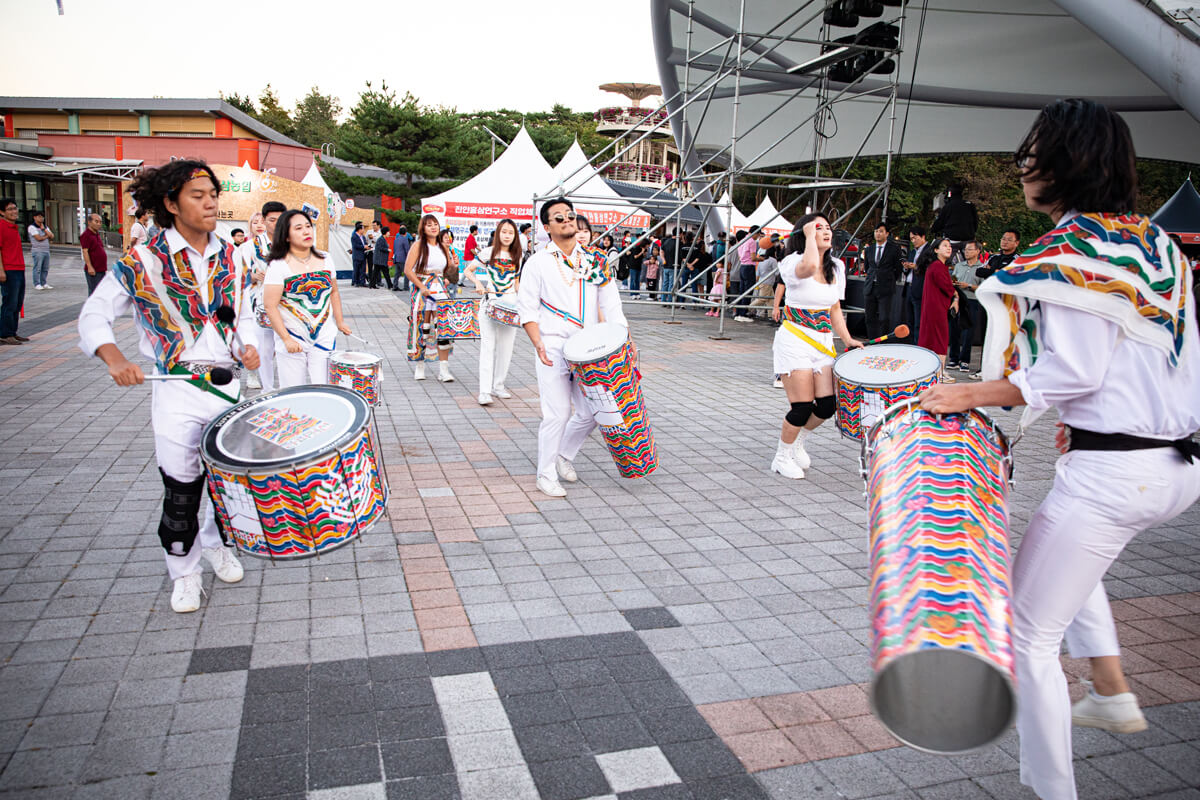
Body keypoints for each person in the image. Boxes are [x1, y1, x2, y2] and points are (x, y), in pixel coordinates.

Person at [920, 98, 1200, 800]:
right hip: (1175, 469)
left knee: (1026, 635)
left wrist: (967, 396)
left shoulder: (1072, 248)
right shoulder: (1153, 243)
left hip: (1112, 474)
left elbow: (1074, 373)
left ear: (1061, 164)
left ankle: (1053, 790)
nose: (1022, 168)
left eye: (1031, 154)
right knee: (1069, 555)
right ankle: (1108, 686)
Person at [77, 160, 258, 612]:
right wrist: (113, 356)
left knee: (229, 481)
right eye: (197, 196)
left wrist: (249, 344)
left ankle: (218, 546)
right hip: (177, 386)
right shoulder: (143, 259)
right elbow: (94, 313)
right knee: (181, 489)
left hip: (228, 384)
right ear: (171, 204)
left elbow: (244, 313)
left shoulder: (233, 255)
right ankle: (184, 571)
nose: (210, 201)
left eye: (212, 193)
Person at [516, 197, 629, 497]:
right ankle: (546, 473)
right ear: (547, 226)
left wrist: (622, 338)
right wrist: (538, 343)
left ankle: (563, 455)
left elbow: (611, 304)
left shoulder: (595, 261)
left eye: (570, 215)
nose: (566, 221)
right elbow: (526, 309)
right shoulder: (537, 262)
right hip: (552, 346)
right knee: (556, 414)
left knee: (594, 411)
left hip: (589, 350)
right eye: (558, 218)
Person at [770, 213, 862, 479]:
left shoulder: (836, 267)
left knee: (826, 406)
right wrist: (809, 236)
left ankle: (797, 441)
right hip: (795, 340)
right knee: (801, 406)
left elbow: (834, 308)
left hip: (822, 343)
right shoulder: (792, 262)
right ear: (805, 233)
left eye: (828, 228)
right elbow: (809, 267)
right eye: (818, 227)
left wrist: (847, 339)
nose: (826, 231)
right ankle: (781, 457)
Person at [263, 209, 351, 386]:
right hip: (293, 336)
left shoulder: (326, 258)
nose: (306, 231)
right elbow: (270, 306)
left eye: (308, 226)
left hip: (324, 335)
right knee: (294, 390)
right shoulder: (278, 265)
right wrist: (286, 338)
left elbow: (333, 291)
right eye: (298, 228)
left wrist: (340, 322)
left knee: (326, 387)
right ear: (286, 236)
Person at [471, 218, 524, 405]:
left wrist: (523, 303)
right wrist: (478, 283)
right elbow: (470, 270)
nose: (507, 235)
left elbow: (517, 283)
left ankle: (498, 385)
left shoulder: (518, 255)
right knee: (488, 347)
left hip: (510, 306)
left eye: (511, 232)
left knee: (506, 347)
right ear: (498, 233)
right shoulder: (488, 252)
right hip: (489, 303)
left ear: (515, 235)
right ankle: (484, 391)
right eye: (504, 232)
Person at [403, 214, 458, 382]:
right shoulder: (418, 245)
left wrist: (453, 267)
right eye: (429, 225)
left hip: (440, 288)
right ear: (423, 228)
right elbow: (408, 270)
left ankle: (444, 369)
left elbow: (449, 271)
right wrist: (422, 287)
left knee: (443, 327)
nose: (433, 227)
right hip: (423, 288)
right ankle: (420, 365)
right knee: (422, 325)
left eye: (435, 224)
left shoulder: (443, 247)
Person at [242, 202, 285, 391]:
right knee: (266, 349)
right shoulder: (251, 246)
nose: (276, 224)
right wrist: (252, 276)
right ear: (265, 220)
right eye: (272, 220)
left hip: (288, 304)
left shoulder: (293, 243)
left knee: (285, 349)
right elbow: (236, 274)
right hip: (261, 304)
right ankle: (267, 389)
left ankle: (287, 387)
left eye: (280, 219)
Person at [915, 237, 959, 381]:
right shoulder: (938, 267)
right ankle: (939, 372)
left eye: (949, 246)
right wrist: (956, 295)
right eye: (945, 246)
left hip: (934, 308)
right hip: (937, 309)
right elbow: (948, 287)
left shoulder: (936, 266)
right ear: (936, 250)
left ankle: (933, 371)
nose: (949, 248)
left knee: (932, 338)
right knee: (940, 339)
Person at [861, 221, 903, 339]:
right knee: (869, 317)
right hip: (870, 286)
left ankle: (883, 341)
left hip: (886, 287)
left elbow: (898, 268)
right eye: (876, 231)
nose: (878, 234)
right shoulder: (870, 249)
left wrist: (889, 279)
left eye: (881, 231)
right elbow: (868, 267)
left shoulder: (894, 249)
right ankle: (872, 340)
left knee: (884, 317)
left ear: (887, 234)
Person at [948, 240, 983, 371]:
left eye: (969, 249)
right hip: (957, 299)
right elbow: (952, 280)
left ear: (977, 251)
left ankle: (965, 360)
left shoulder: (982, 267)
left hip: (972, 300)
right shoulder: (959, 266)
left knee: (968, 332)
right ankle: (954, 358)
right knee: (954, 329)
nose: (966, 252)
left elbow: (983, 286)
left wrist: (968, 286)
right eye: (965, 250)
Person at [0, 199, 27, 345]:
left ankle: (13, 332)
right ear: (2, 212)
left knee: (17, 302)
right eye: (9, 209)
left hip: (19, 267)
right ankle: (5, 333)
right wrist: (1, 271)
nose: (14, 211)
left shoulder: (14, 227)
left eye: (15, 208)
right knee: (9, 302)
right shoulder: (1, 226)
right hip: (9, 269)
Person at [930, 183, 979, 261]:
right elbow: (976, 222)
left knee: (944, 261)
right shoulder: (970, 205)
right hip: (968, 239)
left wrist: (933, 229)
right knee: (970, 262)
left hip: (952, 240)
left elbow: (939, 223)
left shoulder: (948, 207)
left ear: (949, 194)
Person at [900, 226, 927, 343]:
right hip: (909, 287)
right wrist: (906, 267)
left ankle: (918, 344)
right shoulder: (912, 252)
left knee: (919, 322)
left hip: (920, 289)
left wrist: (916, 266)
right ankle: (910, 344)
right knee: (909, 320)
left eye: (915, 238)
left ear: (923, 237)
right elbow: (908, 270)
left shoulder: (929, 252)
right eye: (911, 239)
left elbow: (930, 269)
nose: (913, 241)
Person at [734, 225, 761, 321]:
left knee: (742, 291)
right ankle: (743, 314)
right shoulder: (752, 242)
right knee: (748, 291)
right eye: (758, 235)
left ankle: (738, 313)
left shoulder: (742, 240)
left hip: (742, 266)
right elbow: (753, 257)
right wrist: (761, 259)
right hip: (749, 266)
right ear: (756, 233)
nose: (758, 237)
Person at [80, 213, 109, 296]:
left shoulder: (96, 234)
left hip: (101, 269)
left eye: (100, 222)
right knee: (94, 293)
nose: (99, 224)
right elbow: (85, 251)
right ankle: (92, 309)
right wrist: (89, 266)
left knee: (100, 291)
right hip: (94, 270)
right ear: (89, 222)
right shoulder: (86, 235)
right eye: (96, 222)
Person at [28, 210, 54, 290]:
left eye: (42, 217)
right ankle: (37, 283)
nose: (41, 218)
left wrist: (44, 230)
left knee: (45, 268)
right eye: (39, 217)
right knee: (38, 268)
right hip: (37, 250)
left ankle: (44, 283)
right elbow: (38, 238)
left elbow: (52, 236)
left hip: (46, 250)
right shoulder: (32, 227)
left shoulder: (45, 227)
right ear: (35, 217)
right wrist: (47, 236)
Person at [369, 225, 395, 289]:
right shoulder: (381, 239)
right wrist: (387, 249)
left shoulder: (382, 239)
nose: (389, 233)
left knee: (376, 273)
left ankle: (372, 285)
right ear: (385, 232)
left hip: (380, 260)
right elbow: (380, 247)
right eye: (388, 232)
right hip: (380, 260)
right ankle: (390, 285)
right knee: (385, 273)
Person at [392, 224, 412, 291]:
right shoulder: (405, 239)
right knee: (406, 272)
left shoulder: (396, 239)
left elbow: (394, 248)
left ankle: (395, 286)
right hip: (403, 258)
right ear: (405, 233)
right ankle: (406, 286)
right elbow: (407, 249)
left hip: (397, 257)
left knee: (397, 273)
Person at [350, 221, 368, 287]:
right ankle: (355, 282)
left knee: (363, 269)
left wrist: (367, 246)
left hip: (363, 255)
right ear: (359, 229)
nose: (363, 230)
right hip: (357, 255)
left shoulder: (363, 237)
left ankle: (363, 282)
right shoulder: (354, 236)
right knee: (356, 270)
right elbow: (355, 246)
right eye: (363, 229)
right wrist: (363, 247)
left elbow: (365, 243)